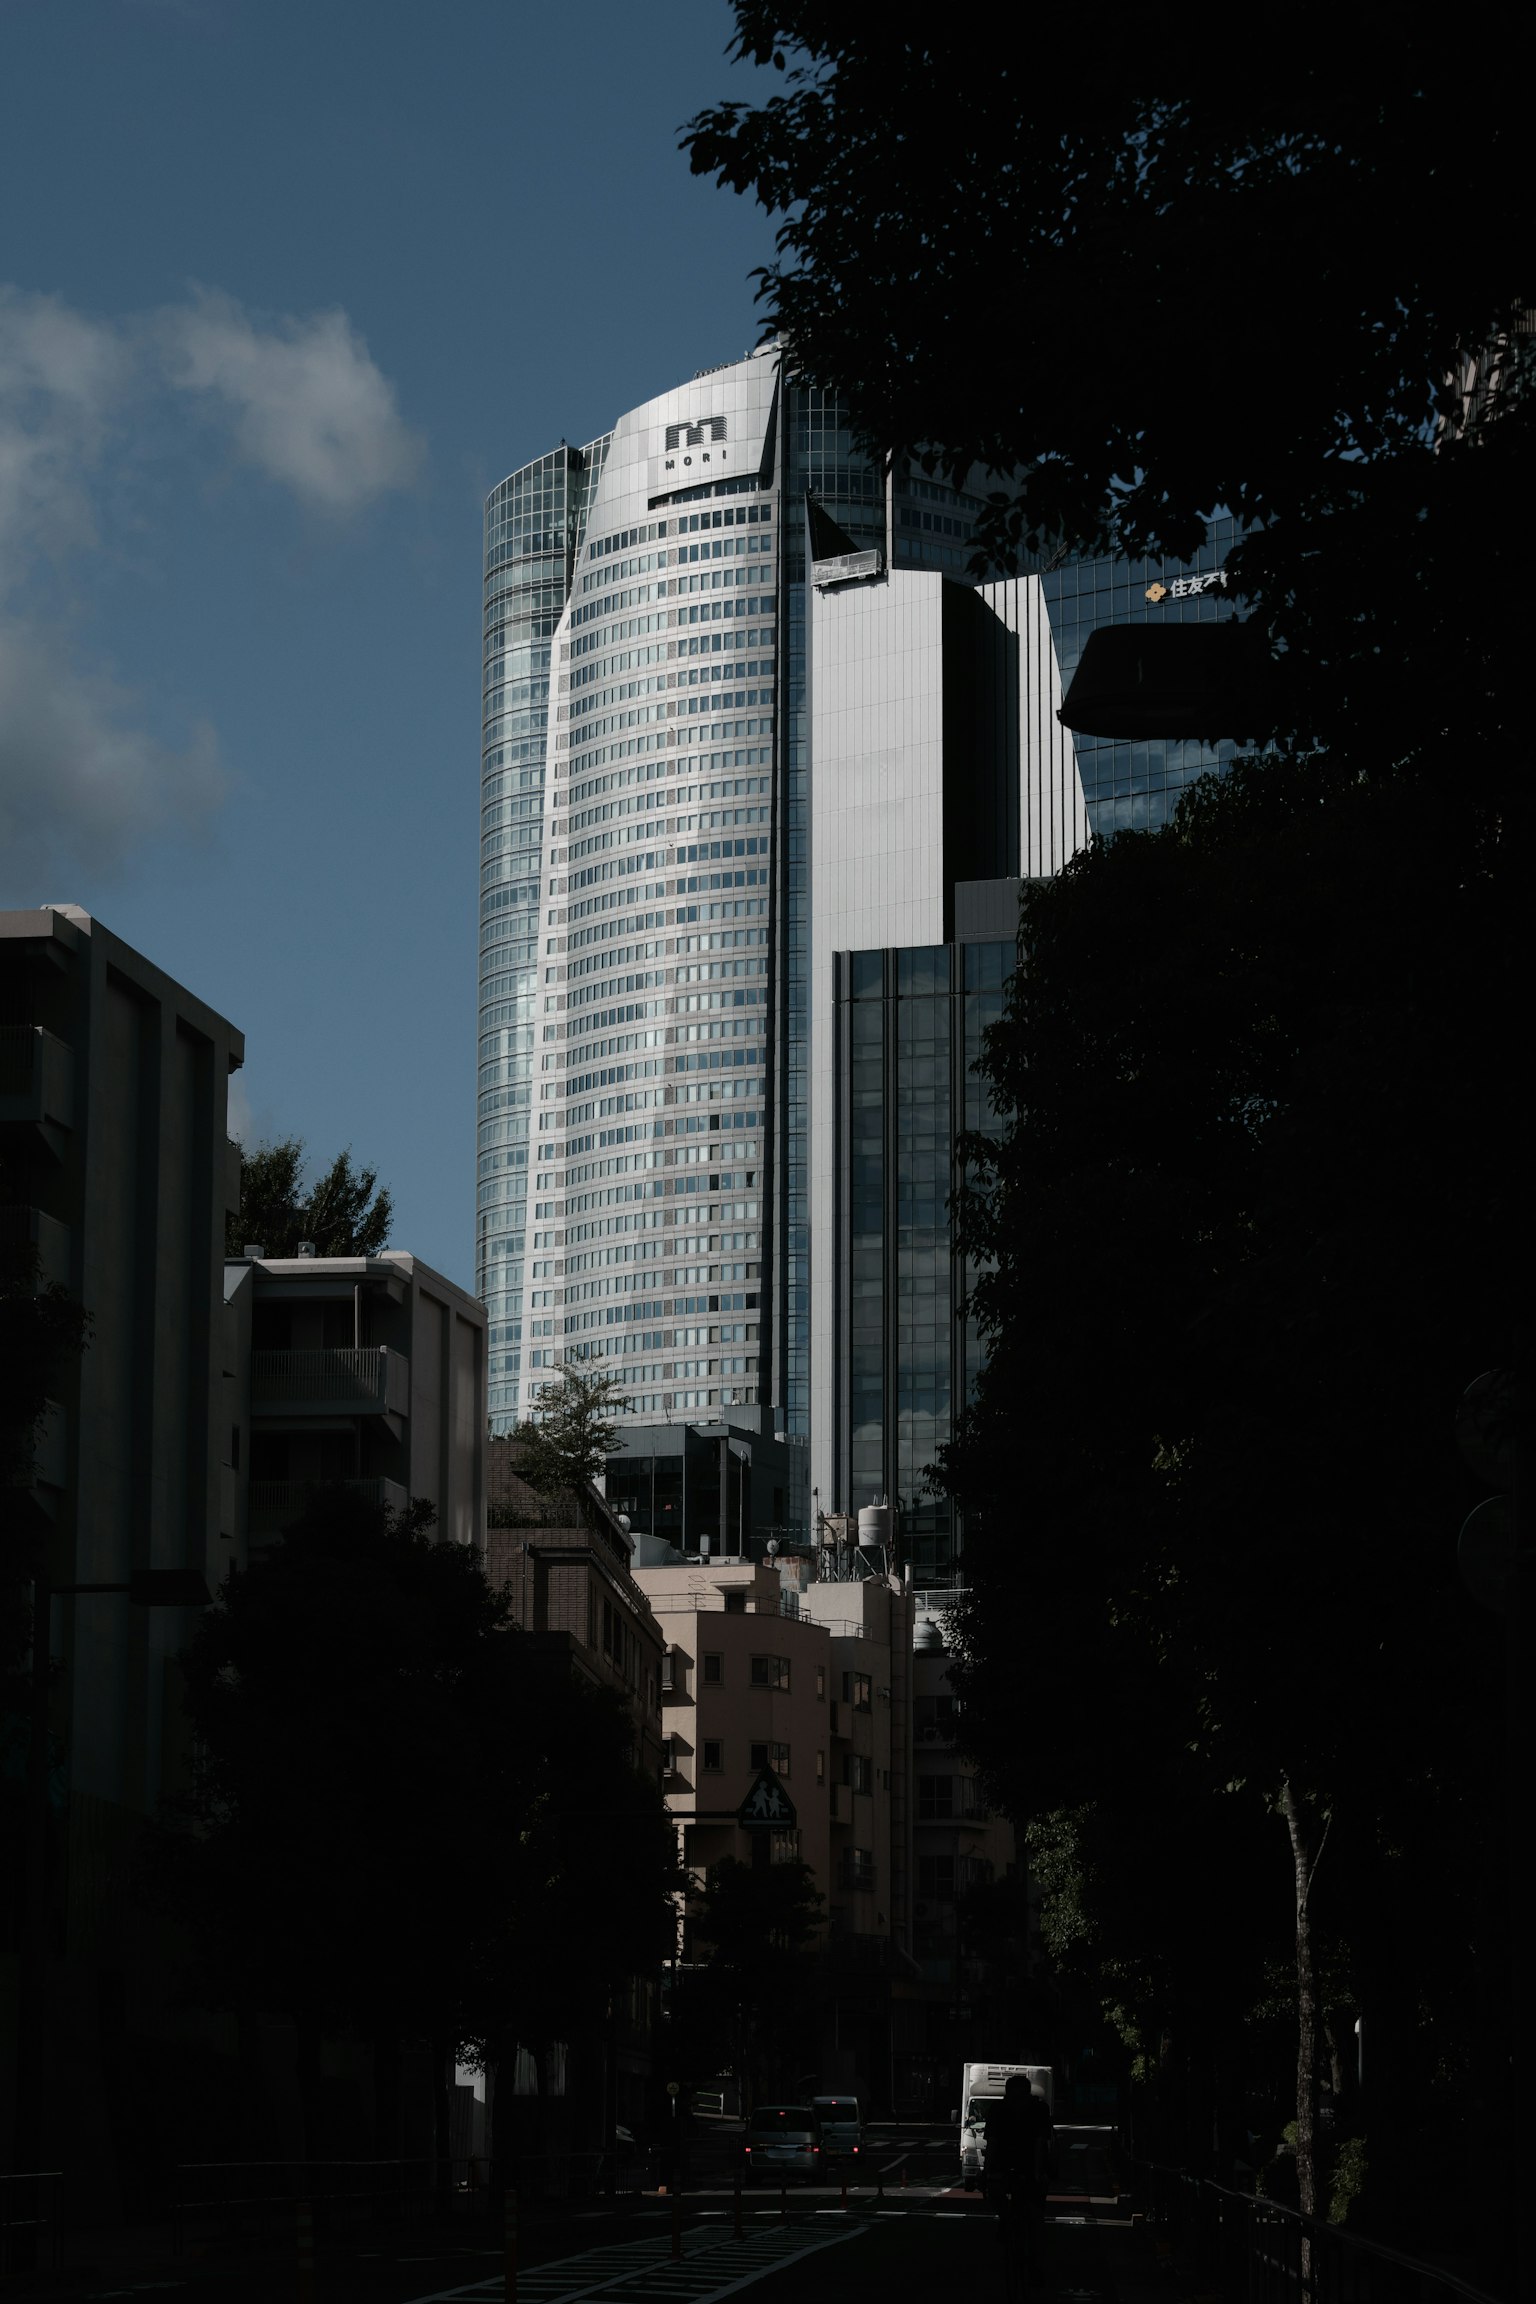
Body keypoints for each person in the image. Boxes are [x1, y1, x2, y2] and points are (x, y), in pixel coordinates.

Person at [986, 2074, 1053, 2286]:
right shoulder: (1038, 2109)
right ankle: (1034, 2264)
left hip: (1007, 2166)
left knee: (1002, 2196)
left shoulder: (998, 2110)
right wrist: (1037, 2172)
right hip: (1024, 2167)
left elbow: (993, 2145)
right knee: (1035, 2218)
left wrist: (987, 2172)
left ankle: (1006, 2221)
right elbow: (1040, 2143)